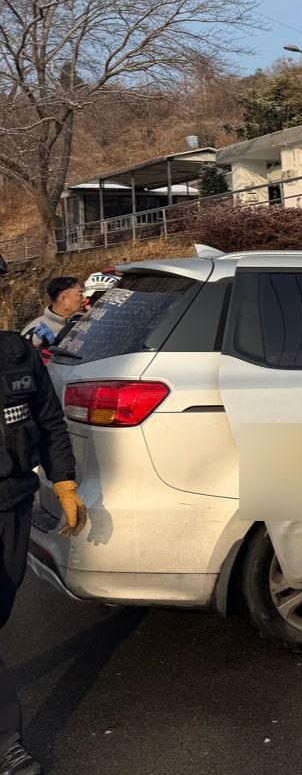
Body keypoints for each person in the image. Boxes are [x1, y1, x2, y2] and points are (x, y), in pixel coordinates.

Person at [0, 320, 86, 775]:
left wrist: (64, 482)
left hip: (11, 504)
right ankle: (6, 744)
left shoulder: (17, 353)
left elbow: (49, 420)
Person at [19, 278, 83, 352]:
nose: (83, 298)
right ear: (63, 299)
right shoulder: (36, 331)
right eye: (80, 294)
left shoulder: (83, 318)